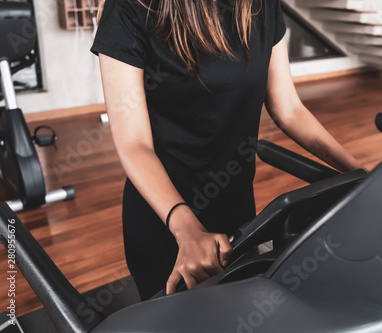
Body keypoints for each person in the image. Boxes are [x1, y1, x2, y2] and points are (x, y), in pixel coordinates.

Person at [91, 0, 364, 301]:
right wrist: (187, 231)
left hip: (237, 212)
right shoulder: (130, 8)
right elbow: (133, 144)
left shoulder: (262, 6)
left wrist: (361, 174)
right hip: (167, 218)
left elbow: (289, 110)